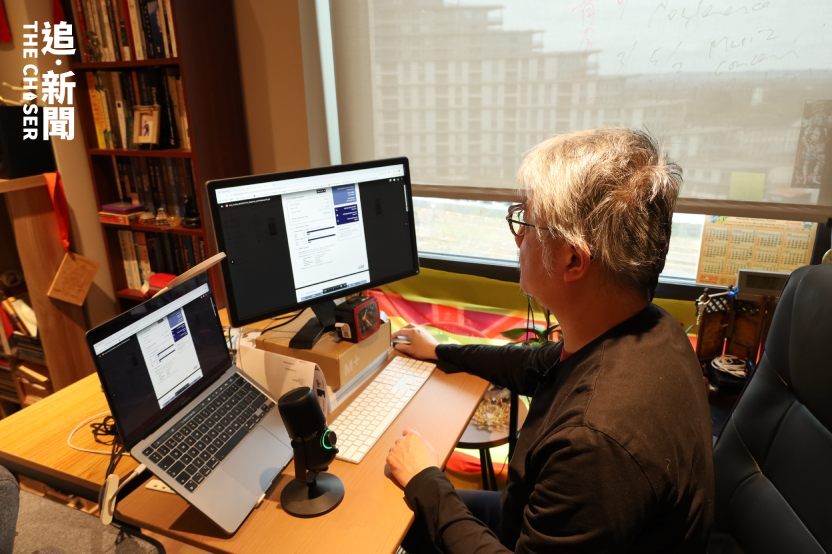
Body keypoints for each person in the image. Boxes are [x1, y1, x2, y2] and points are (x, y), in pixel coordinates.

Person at [385, 128, 714, 552]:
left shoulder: (594, 442)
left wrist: (425, 479)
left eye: (526, 221)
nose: (518, 238)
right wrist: (440, 351)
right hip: (540, 519)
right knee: (405, 516)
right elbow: (536, 365)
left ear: (572, 259)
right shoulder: (652, 327)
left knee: (403, 511)